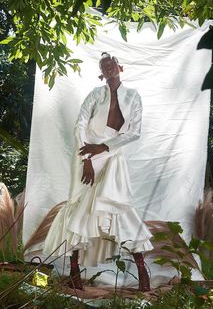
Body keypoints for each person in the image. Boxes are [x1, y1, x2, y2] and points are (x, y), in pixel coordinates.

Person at [43, 52, 153, 291]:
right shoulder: (95, 94)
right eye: (104, 66)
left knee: (120, 208)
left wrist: (103, 147)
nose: (109, 69)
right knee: (80, 208)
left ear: (120, 67)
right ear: (101, 73)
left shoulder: (133, 96)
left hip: (112, 153)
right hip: (86, 153)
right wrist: (87, 158)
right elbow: (80, 124)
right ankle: (74, 272)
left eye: (112, 64)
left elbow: (134, 132)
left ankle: (143, 273)